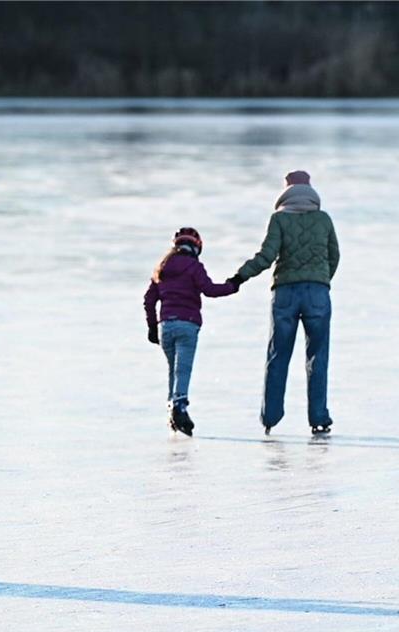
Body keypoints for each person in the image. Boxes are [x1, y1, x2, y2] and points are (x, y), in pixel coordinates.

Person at [229, 171, 340, 435]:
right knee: (318, 356)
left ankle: (270, 417)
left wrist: (239, 276)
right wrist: (321, 279)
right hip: (317, 294)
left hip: (285, 294)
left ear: (287, 189)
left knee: (277, 355)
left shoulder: (279, 219)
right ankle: (319, 418)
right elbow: (334, 255)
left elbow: (267, 256)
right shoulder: (323, 219)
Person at [144, 227, 238, 436]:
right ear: (196, 247)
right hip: (187, 324)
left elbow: (149, 299)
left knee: (173, 370)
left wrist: (152, 327)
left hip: (165, 326)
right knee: (182, 369)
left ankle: (172, 413)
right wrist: (233, 285)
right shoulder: (194, 267)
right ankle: (180, 406)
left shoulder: (161, 267)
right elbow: (210, 290)